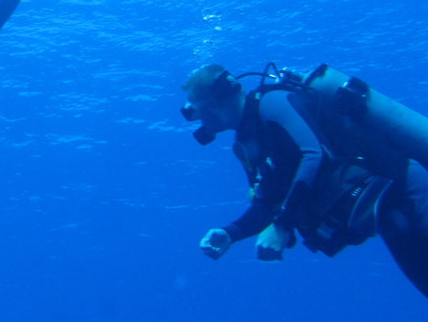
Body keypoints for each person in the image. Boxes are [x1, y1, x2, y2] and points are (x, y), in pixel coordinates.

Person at [181, 63, 428, 298]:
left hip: (406, 188)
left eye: (198, 110)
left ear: (216, 103)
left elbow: (314, 154)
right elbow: (267, 204)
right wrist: (231, 233)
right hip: (387, 213)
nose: (199, 120)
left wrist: (282, 225)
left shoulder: (272, 102)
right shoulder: (247, 144)